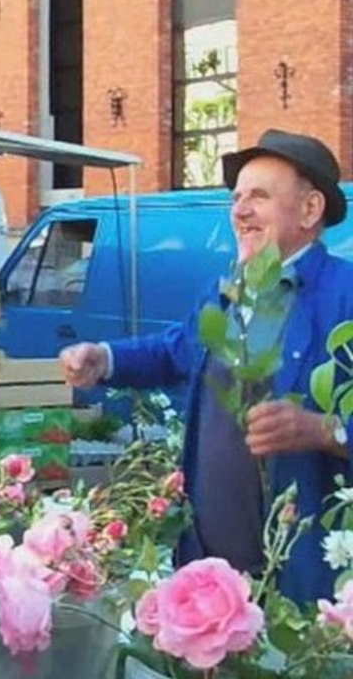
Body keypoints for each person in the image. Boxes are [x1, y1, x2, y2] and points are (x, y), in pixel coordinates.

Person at [60, 128, 353, 605]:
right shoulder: (233, 289)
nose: (239, 211)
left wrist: (323, 430)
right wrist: (106, 358)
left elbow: (330, 430)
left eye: (258, 196)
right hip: (211, 573)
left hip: (304, 588)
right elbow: (177, 349)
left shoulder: (346, 293)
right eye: (236, 198)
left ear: (310, 210)